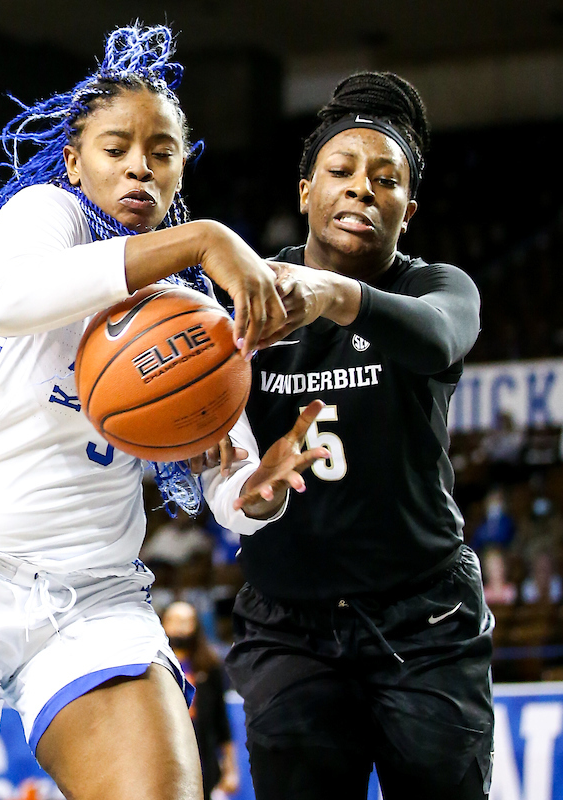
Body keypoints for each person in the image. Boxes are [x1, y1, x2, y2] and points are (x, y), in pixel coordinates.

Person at [0, 24, 287, 800]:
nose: (140, 164)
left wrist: (258, 491)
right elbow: (9, 300)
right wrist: (203, 238)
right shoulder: (44, 216)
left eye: (163, 151)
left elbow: (228, 490)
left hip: (92, 599)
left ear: (180, 171)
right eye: (117, 148)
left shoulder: (187, 310)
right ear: (76, 160)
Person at [198, 72, 492, 798]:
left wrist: (334, 296)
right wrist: (254, 493)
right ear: (306, 191)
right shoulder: (237, 302)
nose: (363, 189)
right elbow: (224, 489)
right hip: (288, 625)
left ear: (407, 210)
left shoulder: (437, 289)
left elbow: (440, 339)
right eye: (342, 170)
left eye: (385, 180)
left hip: (424, 619)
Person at [161, 602, 239, 800]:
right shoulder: (154, 664)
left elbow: (222, 722)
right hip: (164, 753)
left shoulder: (209, 665)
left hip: (203, 755)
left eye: (185, 621)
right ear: (162, 623)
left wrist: (231, 770)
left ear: (196, 626)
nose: (179, 626)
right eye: (173, 620)